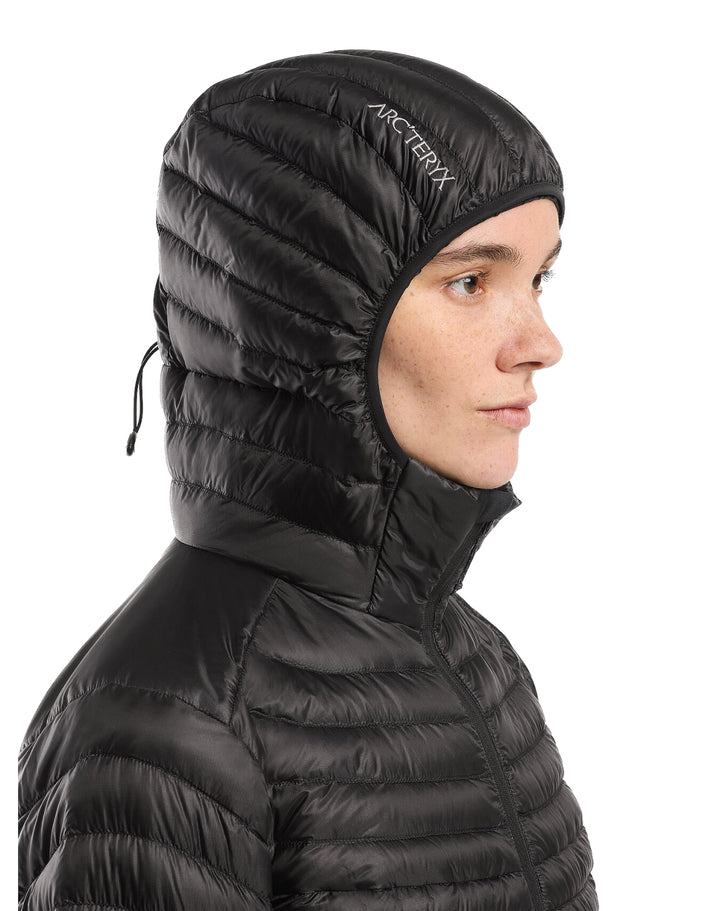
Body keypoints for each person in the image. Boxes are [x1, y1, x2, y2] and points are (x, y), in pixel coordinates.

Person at [18, 49, 599, 910]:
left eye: (539, 277)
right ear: (307, 323)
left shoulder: (476, 656)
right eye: (471, 281)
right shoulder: (168, 725)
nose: (542, 343)